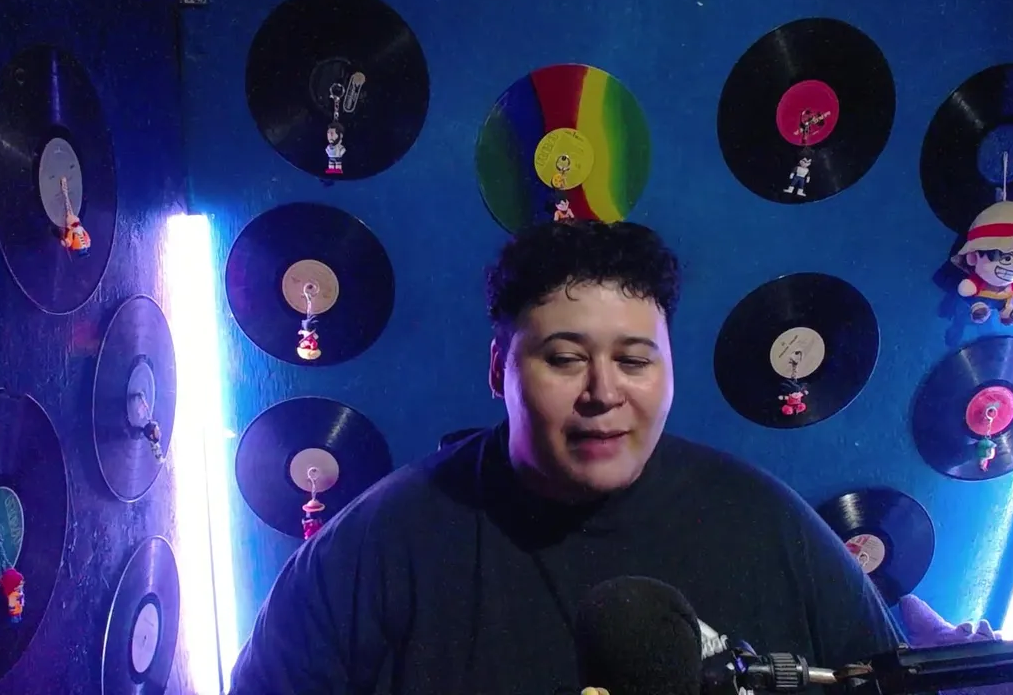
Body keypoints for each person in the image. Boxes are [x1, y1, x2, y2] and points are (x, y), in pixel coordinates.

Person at [229, 220, 901, 695]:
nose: (604, 393)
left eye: (634, 361)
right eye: (565, 359)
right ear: (499, 369)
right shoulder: (374, 550)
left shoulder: (768, 526)